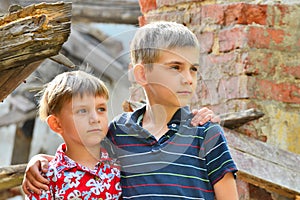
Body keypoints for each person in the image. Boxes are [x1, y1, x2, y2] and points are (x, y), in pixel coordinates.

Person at [23, 21, 237, 199]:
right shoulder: (118, 133)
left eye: (194, 69)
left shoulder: (206, 133)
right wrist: (40, 161)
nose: (188, 79)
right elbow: (79, 153)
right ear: (142, 74)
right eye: (175, 67)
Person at [25, 71, 122, 199]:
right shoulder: (44, 179)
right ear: (57, 124)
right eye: (82, 111)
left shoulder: (120, 166)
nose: (95, 118)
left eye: (101, 109)